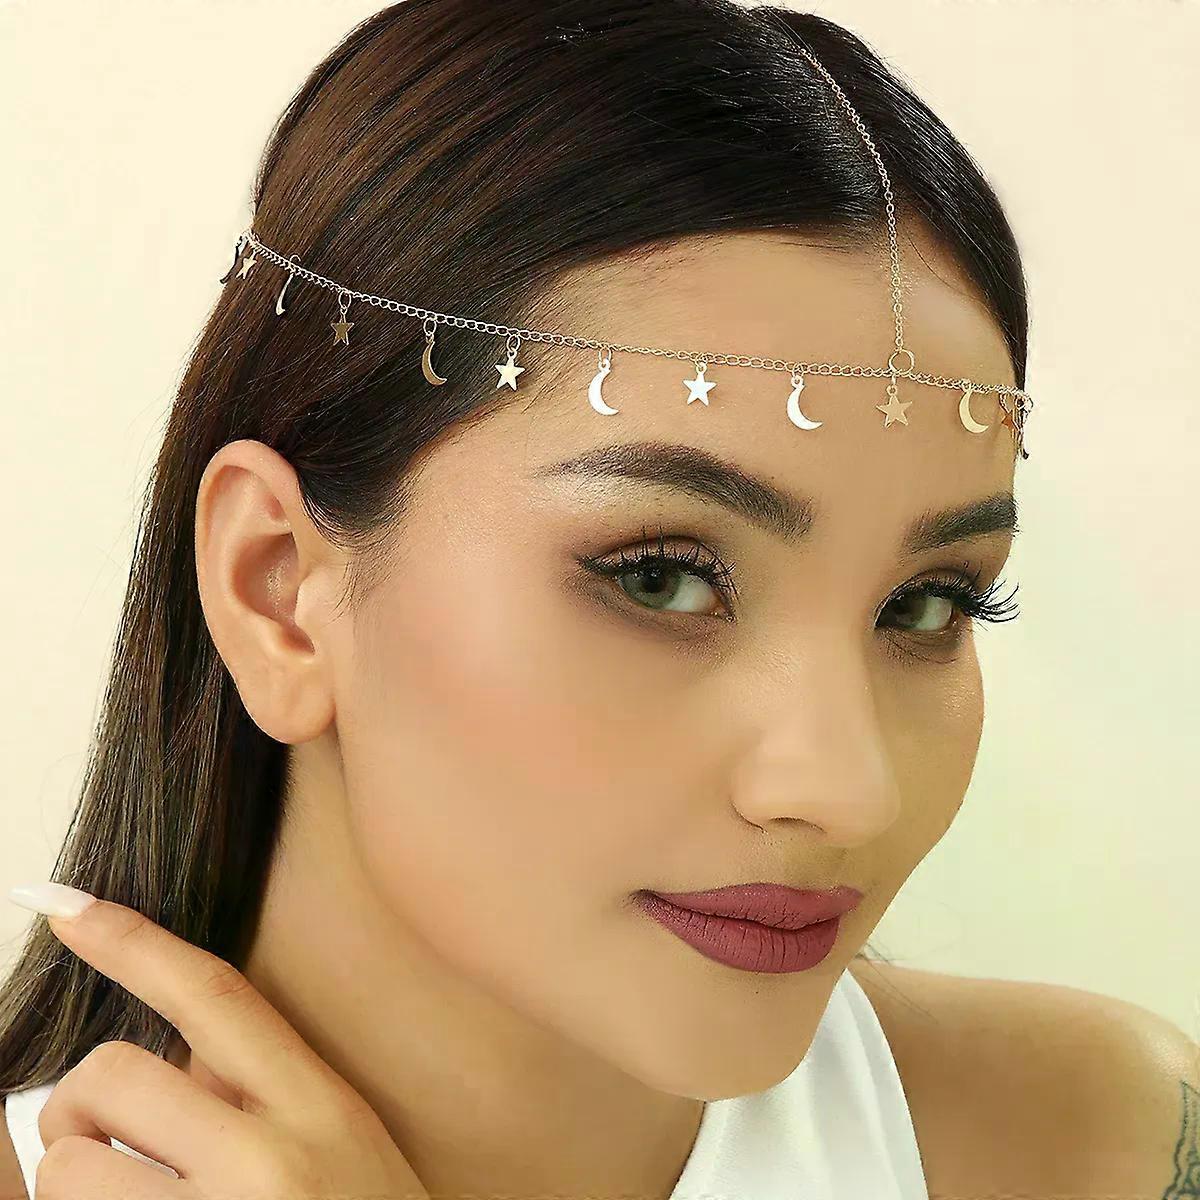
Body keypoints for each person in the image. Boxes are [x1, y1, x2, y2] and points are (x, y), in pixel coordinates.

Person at [2, 2, 1195, 1198]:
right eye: (662, 578)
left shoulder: (1098, 1147)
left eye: (928, 604)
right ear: (276, 588)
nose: (847, 788)